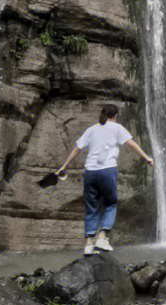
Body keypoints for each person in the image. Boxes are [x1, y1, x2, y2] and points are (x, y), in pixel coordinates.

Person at [56, 104, 154, 254]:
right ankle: (102, 238)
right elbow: (131, 144)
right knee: (110, 204)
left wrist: (63, 167)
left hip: (90, 172)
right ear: (115, 115)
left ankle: (88, 244)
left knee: (91, 207)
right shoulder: (117, 128)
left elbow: (77, 149)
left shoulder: (91, 130)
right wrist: (146, 157)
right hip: (107, 170)